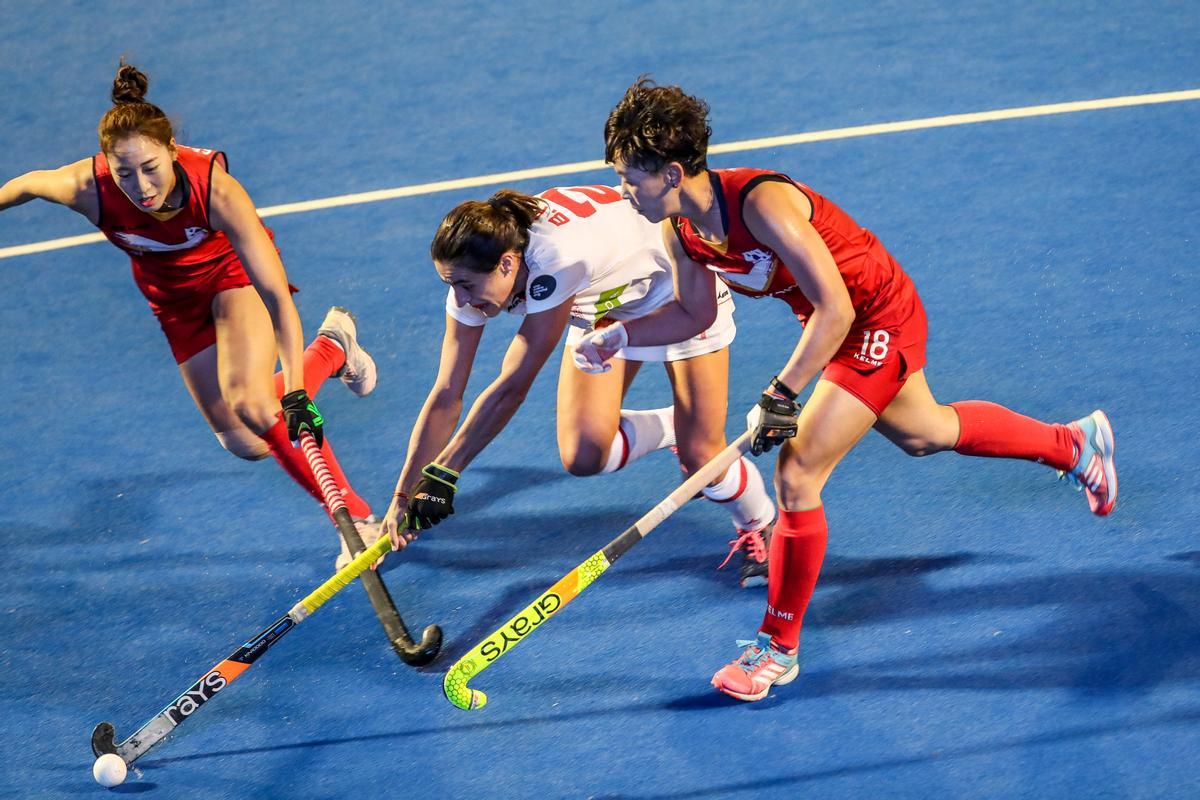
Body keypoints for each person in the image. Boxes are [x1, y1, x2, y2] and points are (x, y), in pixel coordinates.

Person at [575, 78, 1117, 701]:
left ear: (671, 172)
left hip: (872, 316)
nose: (622, 191)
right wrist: (624, 334)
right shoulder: (682, 232)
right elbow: (694, 317)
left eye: (628, 177)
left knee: (798, 472)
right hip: (830, 323)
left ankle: (776, 649)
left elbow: (837, 307)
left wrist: (783, 393)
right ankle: (1075, 444)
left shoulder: (760, 204)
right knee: (925, 432)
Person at [0, 63, 381, 564]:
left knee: (254, 403)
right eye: (125, 173)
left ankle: (357, 519)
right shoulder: (85, 188)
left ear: (172, 151)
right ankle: (333, 347)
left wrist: (291, 389)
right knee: (246, 441)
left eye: (152, 167)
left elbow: (275, 296)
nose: (141, 185)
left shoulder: (216, 191)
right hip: (172, 299)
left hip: (231, 277)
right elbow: (26, 184)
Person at [380, 185, 777, 586]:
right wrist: (403, 495)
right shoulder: (473, 272)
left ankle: (760, 522)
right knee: (586, 456)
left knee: (703, 460)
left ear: (506, 264)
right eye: (451, 286)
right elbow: (447, 392)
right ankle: (678, 426)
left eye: (465, 286)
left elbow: (513, 384)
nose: (460, 300)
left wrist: (445, 473)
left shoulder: (556, 262)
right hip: (605, 300)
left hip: (674, 293)